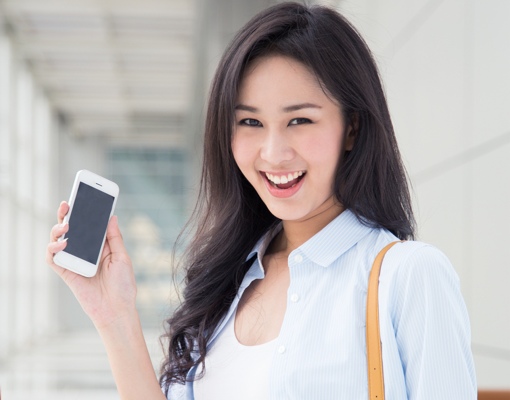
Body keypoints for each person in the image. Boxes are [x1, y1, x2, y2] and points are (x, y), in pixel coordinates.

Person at [46, 2, 476, 399]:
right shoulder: (227, 283)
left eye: (299, 120)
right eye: (250, 121)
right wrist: (114, 314)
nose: (273, 152)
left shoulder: (409, 277)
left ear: (352, 128)